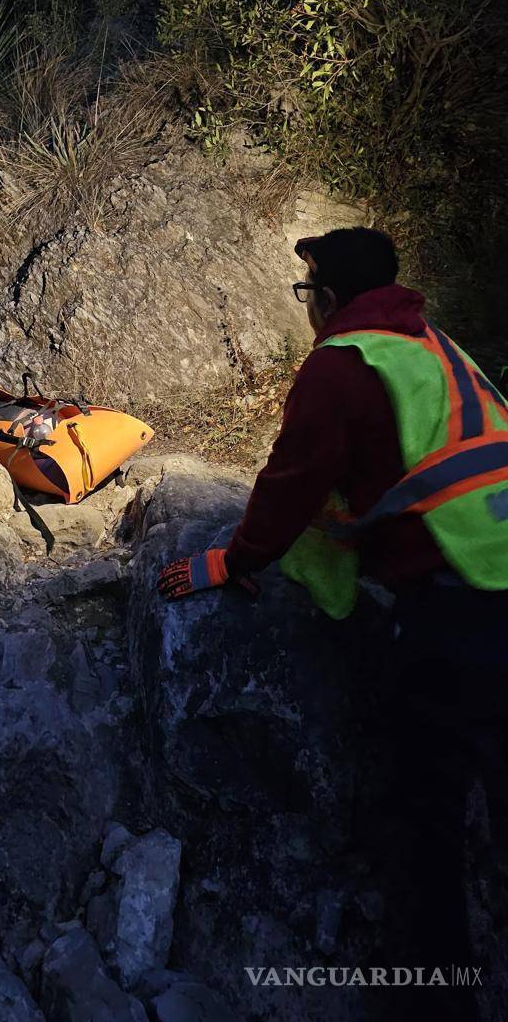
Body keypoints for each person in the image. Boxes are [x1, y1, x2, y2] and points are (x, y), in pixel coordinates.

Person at [158, 226, 508, 1021]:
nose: (305, 304)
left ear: (332, 298)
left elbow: (289, 485)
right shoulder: (431, 347)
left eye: (307, 288)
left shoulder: (342, 364)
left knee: (426, 820)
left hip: (461, 605)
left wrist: (232, 560)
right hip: (493, 575)